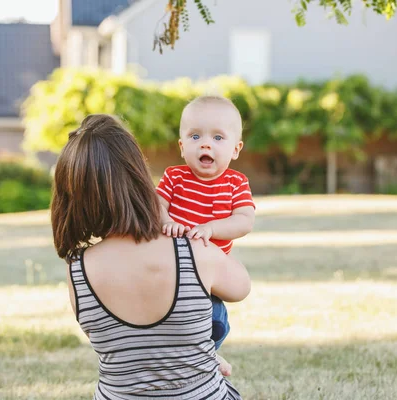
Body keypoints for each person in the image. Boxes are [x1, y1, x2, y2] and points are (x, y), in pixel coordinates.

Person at [51, 114, 250, 399]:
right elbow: (241, 287)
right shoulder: (193, 251)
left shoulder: (78, 272)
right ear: (139, 176)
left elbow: (132, 352)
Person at [156, 96, 255, 375]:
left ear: (236, 149)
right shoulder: (174, 177)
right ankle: (193, 356)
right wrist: (168, 221)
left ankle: (209, 353)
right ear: (181, 146)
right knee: (167, 318)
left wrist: (212, 228)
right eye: (195, 136)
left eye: (218, 137)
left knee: (215, 319)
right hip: (171, 268)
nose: (206, 143)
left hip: (208, 277)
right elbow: (154, 206)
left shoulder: (236, 183)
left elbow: (244, 221)